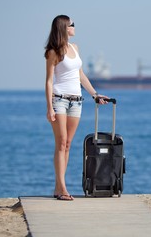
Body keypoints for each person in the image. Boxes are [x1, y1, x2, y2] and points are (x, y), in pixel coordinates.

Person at [44, 15, 108, 201]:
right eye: (72, 24)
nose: (74, 27)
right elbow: (49, 81)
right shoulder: (52, 52)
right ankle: (62, 188)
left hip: (76, 101)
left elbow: (80, 75)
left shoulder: (75, 48)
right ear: (64, 27)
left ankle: (58, 187)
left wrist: (94, 94)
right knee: (61, 142)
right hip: (59, 100)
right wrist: (50, 107)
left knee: (68, 144)